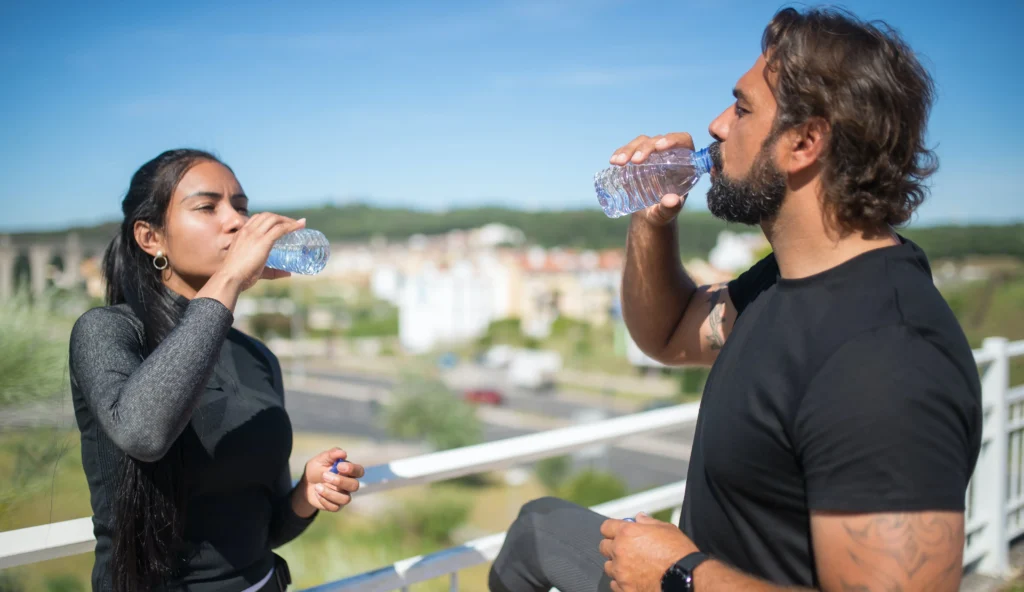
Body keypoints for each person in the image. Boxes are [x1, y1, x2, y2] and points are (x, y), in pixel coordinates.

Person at [489, 6, 982, 592]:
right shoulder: (785, 282)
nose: (718, 125)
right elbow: (668, 334)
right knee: (536, 531)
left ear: (804, 141)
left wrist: (681, 575)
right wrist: (653, 219)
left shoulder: (887, 361)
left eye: (743, 108)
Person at [69, 149, 366, 592]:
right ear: (151, 238)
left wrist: (307, 494)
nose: (236, 222)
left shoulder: (256, 356)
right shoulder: (107, 331)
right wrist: (229, 279)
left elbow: (264, 535)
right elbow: (143, 434)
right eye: (208, 207)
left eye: (241, 207)